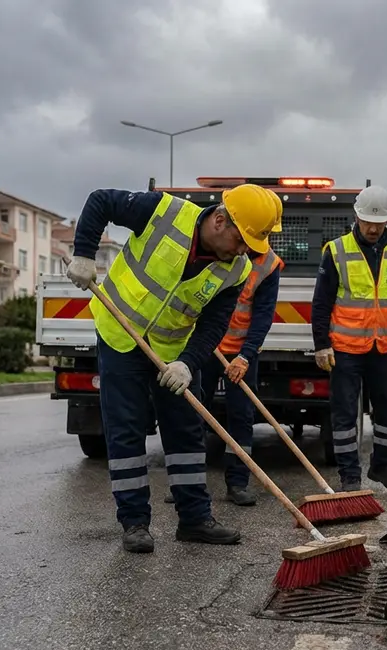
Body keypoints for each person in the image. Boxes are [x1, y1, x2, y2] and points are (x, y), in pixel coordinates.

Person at [66, 182, 281, 554]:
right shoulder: (162, 212)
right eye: (242, 240)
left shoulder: (236, 270)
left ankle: (194, 519)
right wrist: (84, 255)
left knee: (186, 433)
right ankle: (134, 523)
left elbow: (214, 326)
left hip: (173, 351)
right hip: (120, 336)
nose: (244, 250)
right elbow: (99, 200)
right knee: (126, 432)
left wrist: (187, 363)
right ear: (218, 221)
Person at [311, 184, 387, 492]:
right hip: (344, 349)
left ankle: (382, 467)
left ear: (386, 221)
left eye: (378, 222)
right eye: (367, 221)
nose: (372, 228)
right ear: (356, 218)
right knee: (344, 414)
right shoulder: (336, 250)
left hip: (382, 347)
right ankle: (350, 478)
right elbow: (322, 303)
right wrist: (321, 345)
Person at [198, 188, 285, 507]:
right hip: (204, 346)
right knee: (194, 411)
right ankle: (189, 481)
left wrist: (246, 357)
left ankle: (238, 482)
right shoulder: (219, 247)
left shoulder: (269, 265)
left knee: (240, 416)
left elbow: (262, 316)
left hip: (240, 353)